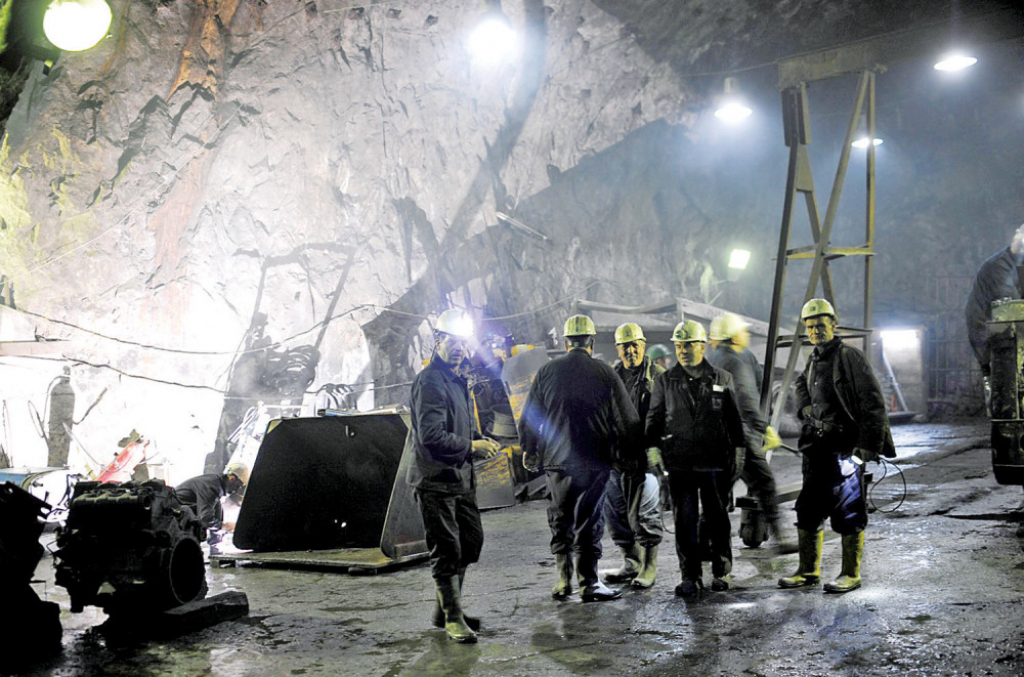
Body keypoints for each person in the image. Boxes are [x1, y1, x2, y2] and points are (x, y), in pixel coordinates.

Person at [519, 314, 643, 603]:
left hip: (556, 460)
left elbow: (529, 417)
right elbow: (627, 419)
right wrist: (630, 455)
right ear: (592, 341)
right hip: (593, 461)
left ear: (565, 343)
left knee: (560, 517)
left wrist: (530, 449)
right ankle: (588, 583)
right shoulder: (605, 372)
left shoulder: (546, 372)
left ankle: (563, 581)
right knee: (589, 521)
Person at [779, 298, 895, 594]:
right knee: (807, 509)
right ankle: (808, 571)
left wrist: (867, 448)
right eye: (810, 326)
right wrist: (804, 409)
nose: (815, 331)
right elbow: (802, 385)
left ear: (833, 324)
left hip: (844, 449)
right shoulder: (814, 358)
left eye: (820, 325)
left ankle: (851, 573)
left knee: (849, 511)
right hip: (816, 449)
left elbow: (872, 402)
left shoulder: (848, 357)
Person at [407, 308, 501, 643]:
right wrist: (471, 446)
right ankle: (451, 616)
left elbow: (456, 425)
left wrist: (478, 437)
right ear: (438, 342)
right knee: (446, 549)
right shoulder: (430, 381)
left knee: (470, 542)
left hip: (459, 480)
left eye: (463, 342)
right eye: (452, 341)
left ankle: (444, 610)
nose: (459, 348)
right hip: (436, 480)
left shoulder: (456, 379)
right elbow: (431, 435)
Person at [646, 320, 745, 597]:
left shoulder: (721, 378)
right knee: (685, 519)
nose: (682, 350)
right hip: (680, 462)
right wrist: (652, 448)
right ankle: (690, 576)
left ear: (702, 346)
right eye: (678, 345)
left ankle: (721, 570)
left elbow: (734, 419)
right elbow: (653, 420)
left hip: (715, 460)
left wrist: (739, 450)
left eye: (688, 345)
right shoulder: (665, 381)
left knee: (717, 518)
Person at [709, 313, 792, 553]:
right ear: (733, 336)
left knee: (719, 492)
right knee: (764, 483)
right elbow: (745, 399)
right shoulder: (735, 361)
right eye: (743, 332)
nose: (746, 335)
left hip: (718, 436)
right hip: (740, 436)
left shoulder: (713, 358)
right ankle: (781, 538)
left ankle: (702, 544)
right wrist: (764, 428)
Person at [601, 323, 666, 589]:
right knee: (615, 512)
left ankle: (649, 566)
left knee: (646, 513)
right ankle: (631, 561)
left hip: (645, 459)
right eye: (625, 346)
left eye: (635, 344)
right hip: (617, 459)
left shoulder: (658, 376)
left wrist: (658, 448)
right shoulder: (610, 377)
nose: (630, 350)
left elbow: (667, 417)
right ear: (617, 349)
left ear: (643, 344)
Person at [965, 224, 1024, 405]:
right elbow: (1011, 308)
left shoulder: (1017, 264)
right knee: (1007, 398)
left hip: (1005, 334)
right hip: (991, 336)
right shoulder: (998, 267)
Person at [175, 462, 249, 545]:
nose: (237, 489)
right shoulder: (212, 487)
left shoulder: (216, 486)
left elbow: (214, 515)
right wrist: (225, 527)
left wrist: (218, 533)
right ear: (232, 478)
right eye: (238, 485)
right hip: (176, 519)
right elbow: (205, 519)